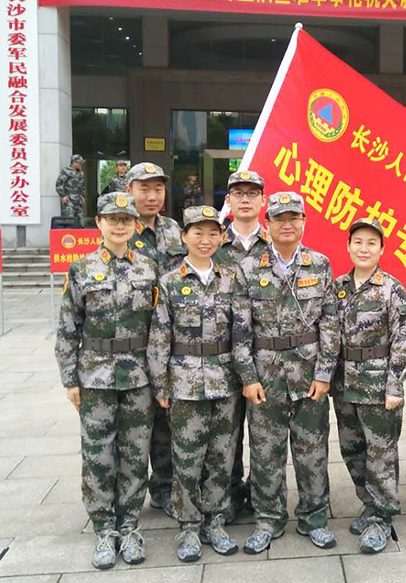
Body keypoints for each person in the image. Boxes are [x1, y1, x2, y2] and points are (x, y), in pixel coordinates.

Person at [54, 191, 160, 569]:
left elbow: (160, 328)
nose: (119, 226)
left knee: (135, 453)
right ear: (98, 223)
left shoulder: (149, 268)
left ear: (134, 225)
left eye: (126, 220)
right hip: (95, 377)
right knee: (97, 455)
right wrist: (70, 380)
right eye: (112, 219)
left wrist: (160, 376)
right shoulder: (81, 269)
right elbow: (68, 328)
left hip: (138, 377)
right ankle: (103, 528)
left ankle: (129, 525)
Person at [234, 191, 340, 554]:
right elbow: (240, 330)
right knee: (266, 453)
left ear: (304, 222)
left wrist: (324, 373)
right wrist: (248, 378)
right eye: (279, 219)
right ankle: (268, 519)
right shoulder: (249, 268)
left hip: (308, 376)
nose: (287, 224)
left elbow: (330, 323)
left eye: (294, 218)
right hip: (266, 377)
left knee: (313, 452)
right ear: (268, 224)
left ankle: (314, 518)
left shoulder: (319, 264)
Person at [146, 205, 249, 562]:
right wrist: (160, 385)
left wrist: (245, 377)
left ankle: (215, 521)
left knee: (222, 457)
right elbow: (159, 336)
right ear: (184, 237)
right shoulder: (169, 282)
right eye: (198, 233)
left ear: (221, 238)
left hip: (225, 382)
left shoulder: (231, 279)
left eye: (212, 233)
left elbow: (242, 333)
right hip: (185, 383)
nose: (205, 240)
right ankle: (189, 526)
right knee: (187, 459)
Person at [332, 217, 406, 554]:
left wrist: (395, 386)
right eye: (358, 242)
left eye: (371, 243)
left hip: (378, 386)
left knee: (381, 454)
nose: (364, 249)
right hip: (344, 385)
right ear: (348, 246)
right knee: (352, 450)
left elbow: (403, 339)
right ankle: (369, 505)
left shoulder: (392, 289)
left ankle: (382, 517)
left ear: (381, 249)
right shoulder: (337, 287)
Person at [125, 161, 186, 520]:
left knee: (167, 420)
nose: (152, 196)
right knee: (136, 426)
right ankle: (128, 497)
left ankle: (165, 488)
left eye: (158, 189)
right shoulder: (120, 229)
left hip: (172, 343)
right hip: (134, 344)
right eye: (144, 189)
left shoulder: (174, 230)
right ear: (129, 190)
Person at [214, 169, 271, 520]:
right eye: (239, 193)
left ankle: (261, 496)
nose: (245, 199)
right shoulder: (213, 245)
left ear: (263, 200)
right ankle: (230, 497)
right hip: (220, 359)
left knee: (265, 437)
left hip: (265, 358)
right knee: (226, 436)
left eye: (252, 193)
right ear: (229, 201)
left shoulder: (276, 243)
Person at [56, 154, 86, 224]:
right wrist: (63, 196)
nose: (80, 164)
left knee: (80, 220)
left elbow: (83, 186)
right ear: (74, 162)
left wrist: (83, 196)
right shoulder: (66, 171)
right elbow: (59, 184)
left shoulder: (81, 173)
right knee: (70, 220)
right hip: (69, 200)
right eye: (79, 162)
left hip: (78, 200)